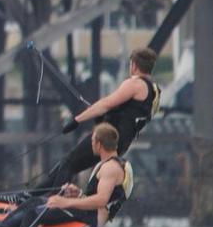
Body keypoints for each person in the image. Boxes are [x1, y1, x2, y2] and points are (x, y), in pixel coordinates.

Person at [0, 122, 131, 227]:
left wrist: (65, 202)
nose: (90, 144)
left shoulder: (111, 168)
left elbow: (101, 201)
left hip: (91, 220)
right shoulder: (106, 164)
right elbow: (98, 197)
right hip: (86, 213)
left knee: (35, 213)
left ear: (99, 144)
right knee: (33, 202)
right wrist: (77, 193)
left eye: (92, 141)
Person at [43, 46, 160, 190]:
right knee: (67, 165)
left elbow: (106, 104)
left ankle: (52, 204)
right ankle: (33, 195)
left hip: (107, 137)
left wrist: (76, 121)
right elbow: (130, 114)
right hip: (121, 143)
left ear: (134, 65)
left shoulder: (134, 83)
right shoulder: (154, 92)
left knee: (68, 162)